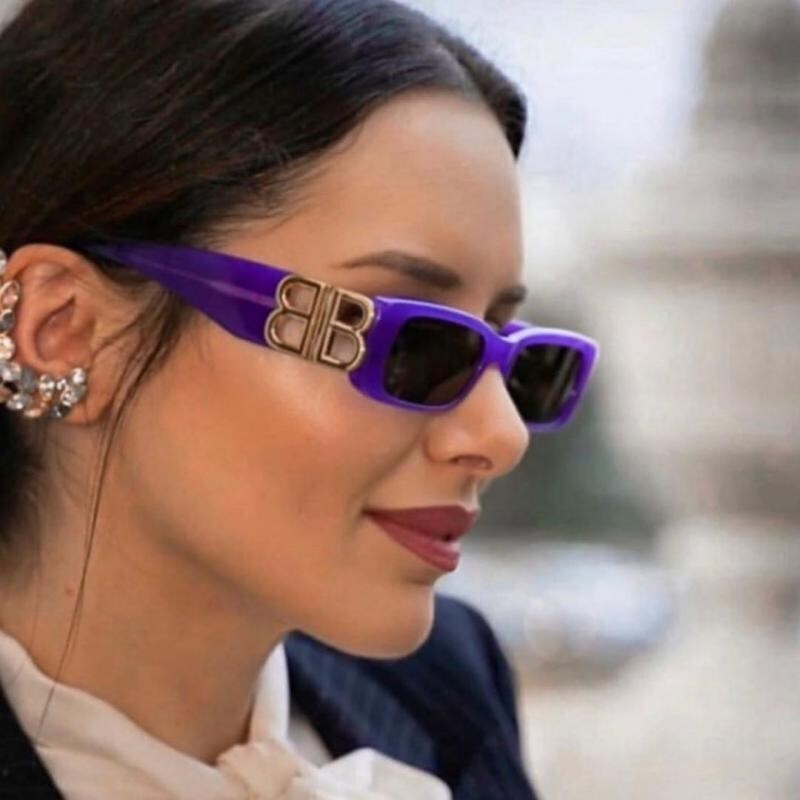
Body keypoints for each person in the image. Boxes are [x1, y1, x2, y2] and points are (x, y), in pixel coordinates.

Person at [0, 1, 599, 798]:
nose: (502, 434)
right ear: (65, 331)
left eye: (524, 362)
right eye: (413, 343)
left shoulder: (447, 689)